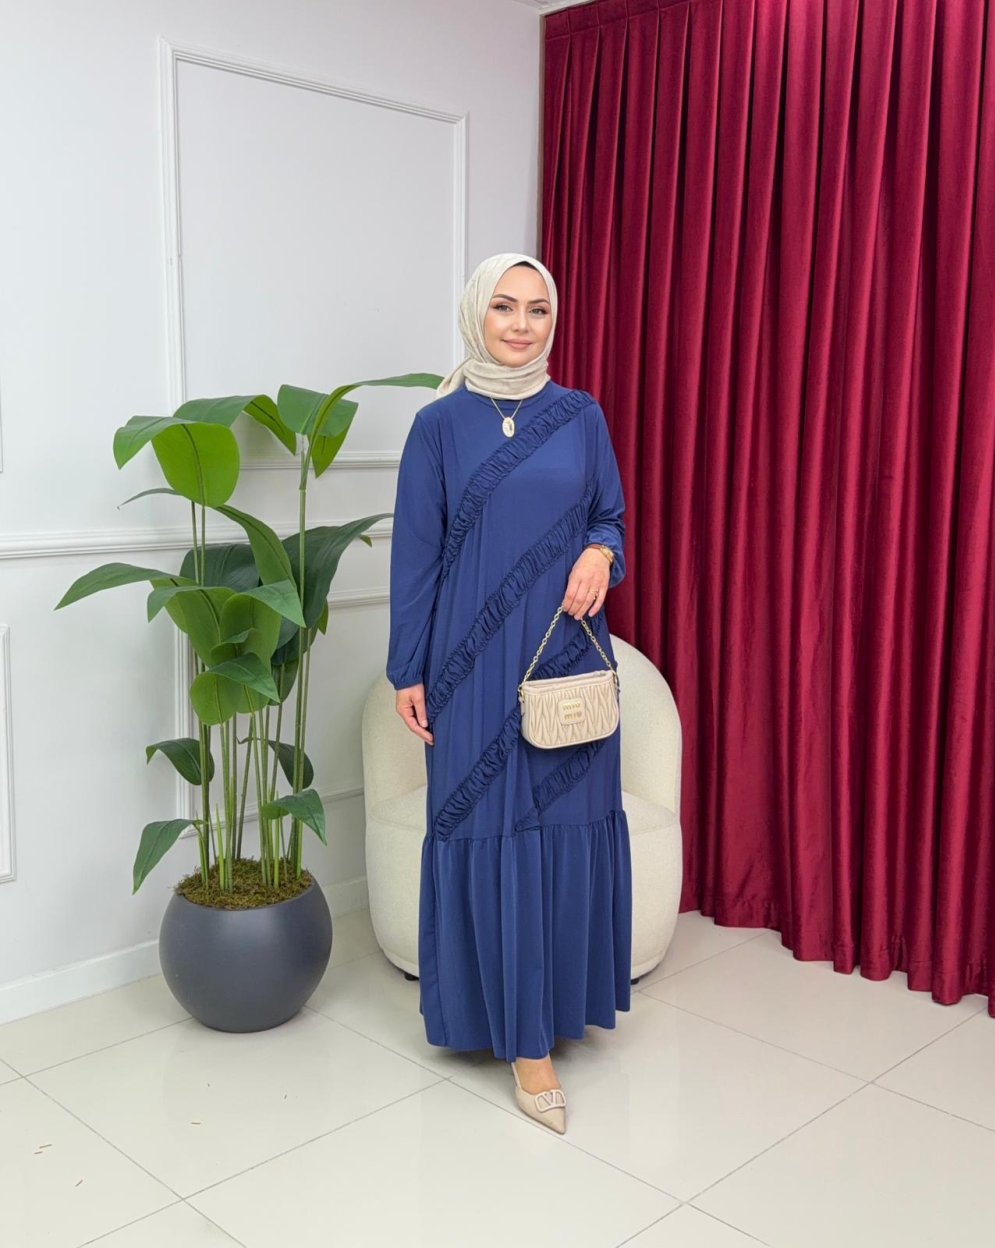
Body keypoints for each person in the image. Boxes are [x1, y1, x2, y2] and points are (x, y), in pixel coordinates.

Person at [385, 252, 631, 1135]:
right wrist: (408, 669)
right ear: (475, 316)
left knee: (562, 824)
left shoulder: (581, 416)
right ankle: (520, 1041)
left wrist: (601, 552)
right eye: (504, 307)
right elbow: (415, 556)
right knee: (488, 827)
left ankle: (554, 1009)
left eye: (537, 309)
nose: (521, 325)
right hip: (469, 665)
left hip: (563, 655)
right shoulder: (437, 427)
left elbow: (610, 515)